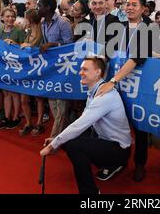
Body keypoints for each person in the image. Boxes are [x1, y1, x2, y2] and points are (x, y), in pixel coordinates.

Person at [40, 57, 132, 194]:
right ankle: (108, 164)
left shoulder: (105, 95)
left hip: (119, 149)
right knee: (67, 140)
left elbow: (80, 125)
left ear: (97, 73)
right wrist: (57, 139)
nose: (80, 72)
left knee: (72, 145)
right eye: (81, 69)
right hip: (106, 141)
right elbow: (82, 121)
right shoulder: (94, 90)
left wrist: (53, 144)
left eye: (85, 69)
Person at [95, 0, 155, 183]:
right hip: (117, 85)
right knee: (114, 124)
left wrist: (112, 81)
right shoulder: (118, 27)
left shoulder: (150, 29)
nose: (129, 8)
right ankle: (117, 161)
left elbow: (136, 58)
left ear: (143, 8)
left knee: (139, 128)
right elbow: (107, 52)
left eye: (134, 5)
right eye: (127, 4)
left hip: (138, 87)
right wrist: (96, 65)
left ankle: (139, 164)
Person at [37, 0, 74, 138]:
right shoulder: (42, 23)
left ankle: (55, 138)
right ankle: (64, 134)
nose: (37, 8)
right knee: (52, 101)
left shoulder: (63, 22)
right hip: (51, 67)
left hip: (63, 68)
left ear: (48, 8)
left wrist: (53, 44)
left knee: (61, 106)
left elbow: (70, 46)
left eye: (39, 5)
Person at [0, 8, 26, 130]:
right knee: (6, 92)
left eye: (13, 16)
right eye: (7, 16)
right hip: (3, 64)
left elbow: (25, 47)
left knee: (14, 93)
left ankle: (16, 117)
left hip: (15, 65)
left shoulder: (19, 31)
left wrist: (15, 44)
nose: (10, 19)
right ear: (2, 18)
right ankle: (7, 117)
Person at [19, 9, 46, 136]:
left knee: (38, 98)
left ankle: (39, 123)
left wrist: (29, 46)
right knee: (23, 98)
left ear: (29, 19)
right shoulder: (29, 31)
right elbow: (24, 45)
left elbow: (39, 48)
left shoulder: (42, 31)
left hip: (38, 67)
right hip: (27, 68)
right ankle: (28, 123)